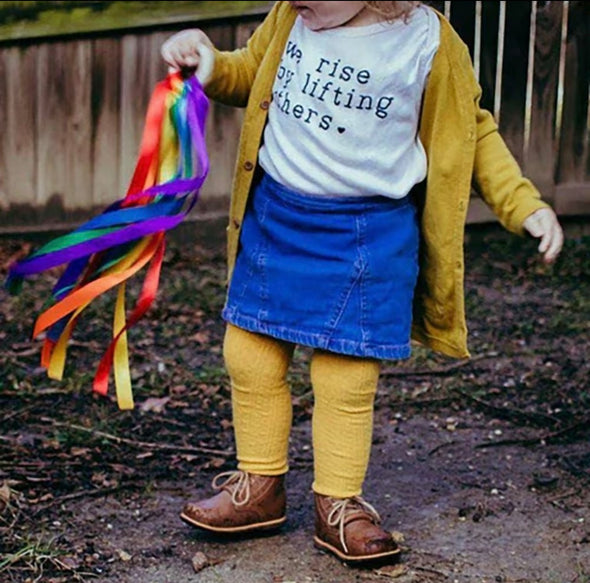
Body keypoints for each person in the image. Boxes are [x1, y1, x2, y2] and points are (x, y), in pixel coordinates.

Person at [160, 0, 564, 565]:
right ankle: (260, 487)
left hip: (366, 232)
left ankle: (338, 503)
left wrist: (522, 203)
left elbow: (472, 131)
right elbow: (251, 71)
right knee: (248, 351)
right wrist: (208, 64)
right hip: (279, 216)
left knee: (345, 371)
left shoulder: (426, 41)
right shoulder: (291, 16)